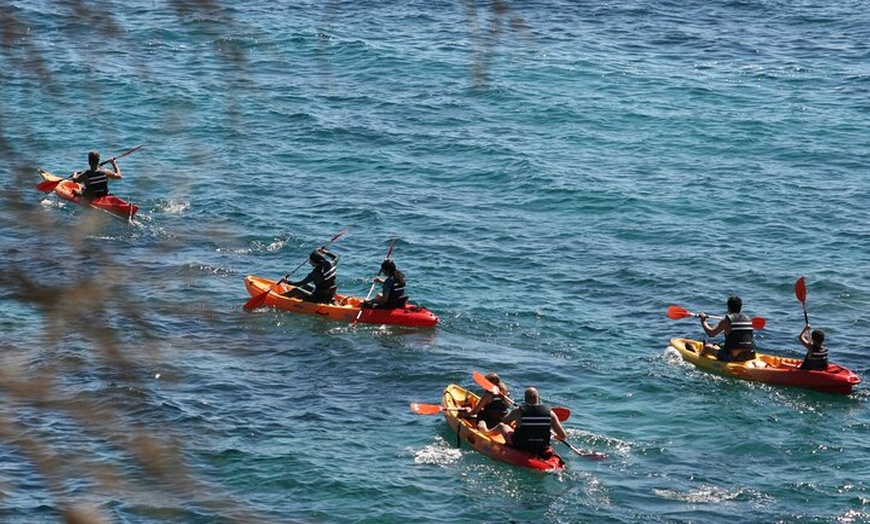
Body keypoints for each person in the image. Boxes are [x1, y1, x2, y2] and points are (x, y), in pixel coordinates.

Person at [489, 387, 567, 457]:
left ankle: (485, 431)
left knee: (501, 426)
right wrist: (555, 436)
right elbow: (562, 436)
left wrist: (515, 421)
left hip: (520, 445)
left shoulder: (518, 411)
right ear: (538, 398)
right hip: (541, 446)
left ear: (525, 399)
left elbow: (505, 421)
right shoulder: (550, 413)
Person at [698, 295, 756, 362]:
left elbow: (711, 333)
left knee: (707, 348)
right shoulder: (749, 319)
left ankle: (699, 358)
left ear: (728, 307)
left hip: (733, 358)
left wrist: (703, 321)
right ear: (740, 307)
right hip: (750, 355)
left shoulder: (727, 320)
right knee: (720, 345)